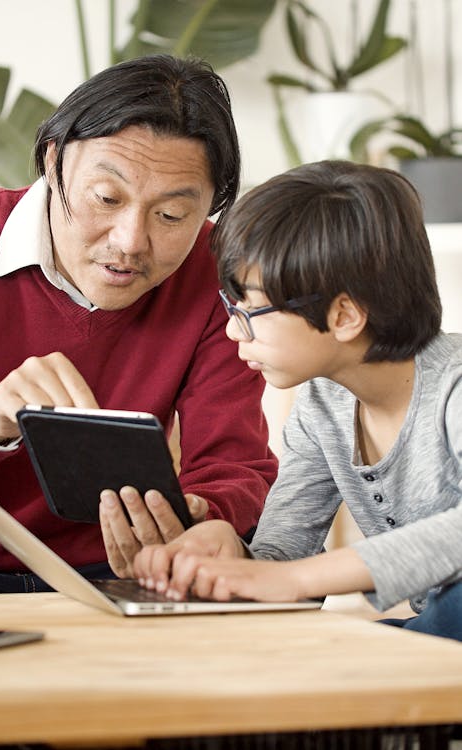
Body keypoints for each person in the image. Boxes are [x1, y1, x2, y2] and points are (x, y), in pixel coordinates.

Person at [0, 54, 277, 594]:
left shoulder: (216, 273)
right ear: (53, 160)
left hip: (123, 579)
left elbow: (234, 464)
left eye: (172, 216)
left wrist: (205, 516)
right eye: (107, 198)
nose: (131, 241)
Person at [133, 160, 462, 641]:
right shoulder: (323, 404)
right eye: (231, 306)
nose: (230, 329)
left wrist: (293, 578)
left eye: (250, 309)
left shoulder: (453, 386)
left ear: (345, 315)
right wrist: (234, 556)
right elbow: (284, 559)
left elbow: (295, 579)